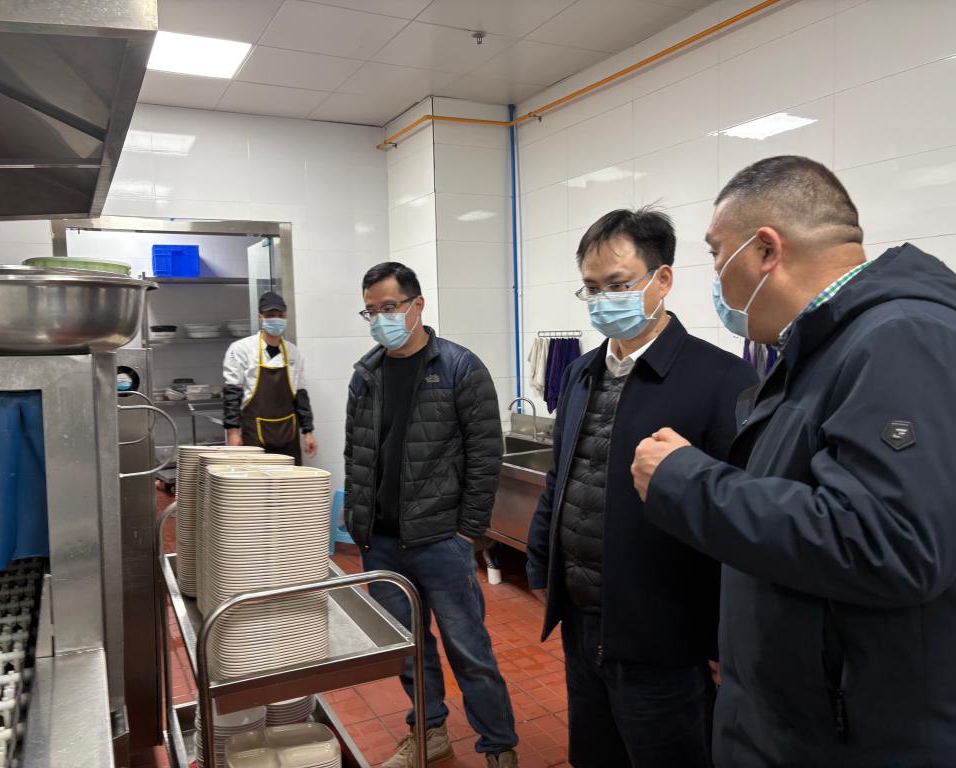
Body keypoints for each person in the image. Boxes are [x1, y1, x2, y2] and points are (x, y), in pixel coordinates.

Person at [631, 155, 956, 766]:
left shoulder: (900, 337)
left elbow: (893, 542)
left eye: (716, 254)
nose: (716, 277)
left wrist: (686, 480)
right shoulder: (824, 348)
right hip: (797, 715)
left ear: (765, 250)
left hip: (854, 736)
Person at [525, 208, 757, 768]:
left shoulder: (722, 380)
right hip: (583, 622)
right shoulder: (581, 373)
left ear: (663, 279)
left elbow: (741, 517)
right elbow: (562, 475)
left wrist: (726, 637)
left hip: (665, 637)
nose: (604, 300)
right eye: (592, 288)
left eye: (619, 285)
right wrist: (541, 563)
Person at [343, 262, 518, 768]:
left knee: (469, 650)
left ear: (417, 305)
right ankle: (429, 731)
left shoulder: (460, 368)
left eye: (389, 307)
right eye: (371, 311)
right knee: (407, 649)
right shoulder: (365, 375)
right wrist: (358, 522)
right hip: (381, 543)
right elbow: (357, 453)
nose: (380, 319)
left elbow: (486, 455)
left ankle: (499, 746)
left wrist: (467, 531)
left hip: (442, 540)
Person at [222, 290, 316, 463]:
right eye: (270, 315)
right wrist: (232, 432)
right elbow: (232, 394)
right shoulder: (241, 349)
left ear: (286, 317)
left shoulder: (294, 352)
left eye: (280, 315)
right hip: (254, 435)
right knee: (256, 479)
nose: (276, 319)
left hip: (288, 435)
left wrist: (308, 432)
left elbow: (300, 396)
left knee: (291, 479)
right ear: (260, 317)